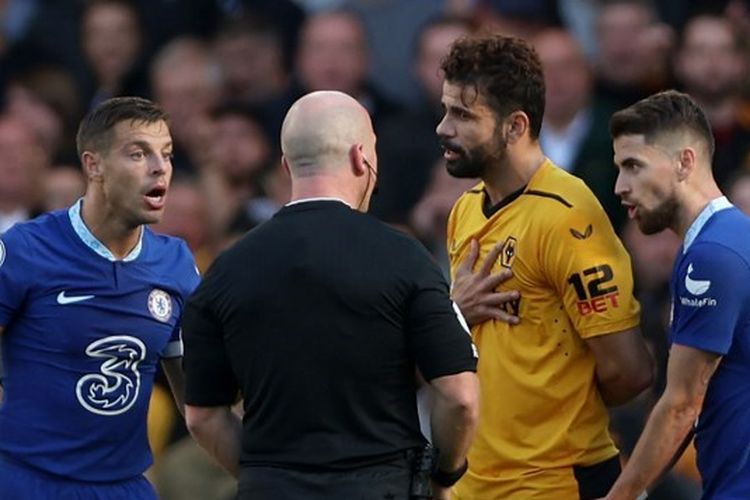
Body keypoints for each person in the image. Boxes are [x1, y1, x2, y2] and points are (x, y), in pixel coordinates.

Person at [182, 90, 480, 500]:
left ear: (287, 166)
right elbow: (459, 396)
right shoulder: (404, 257)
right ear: (362, 157)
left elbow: (202, 416)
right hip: (382, 487)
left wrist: (264, 476)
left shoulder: (225, 270)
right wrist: (443, 476)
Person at [437, 35, 654, 499]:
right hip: (473, 484)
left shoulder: (567, 214)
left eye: (462, 115)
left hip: (555, 483)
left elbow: (630, 371)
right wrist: (455, 312)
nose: (443, 128)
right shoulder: (465, 210)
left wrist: (556, 408)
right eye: (445, 110)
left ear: (515, 126)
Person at [0, 96, 200, 499]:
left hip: (123, 488)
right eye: (138, 153)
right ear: (95, 166)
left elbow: (200, 398)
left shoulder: (176, 265)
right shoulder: (24, 250)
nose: (160, 167)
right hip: (25, 482)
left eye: (167, 154)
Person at [603, 90, 750, 499]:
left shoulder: (711, 255)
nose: (620, 186)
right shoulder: (724, 239)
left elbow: (683, 403)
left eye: (633, 166)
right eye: (618, 168)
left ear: (684, 162)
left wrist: (620, 496)